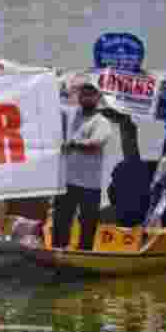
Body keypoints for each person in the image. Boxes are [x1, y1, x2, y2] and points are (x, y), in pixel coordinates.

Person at [51, 80, 112, 251]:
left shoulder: (101, 121)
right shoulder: (71, 115)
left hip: (89, 185)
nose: (85, 97)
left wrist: (74, 144)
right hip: (66, 181)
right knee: (61, 220)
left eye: (90, 94)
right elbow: (52, 107)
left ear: (97, 97)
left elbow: (96, 144)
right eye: (83, 94)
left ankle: (84, 254)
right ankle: (58, 251)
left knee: (88, 224)